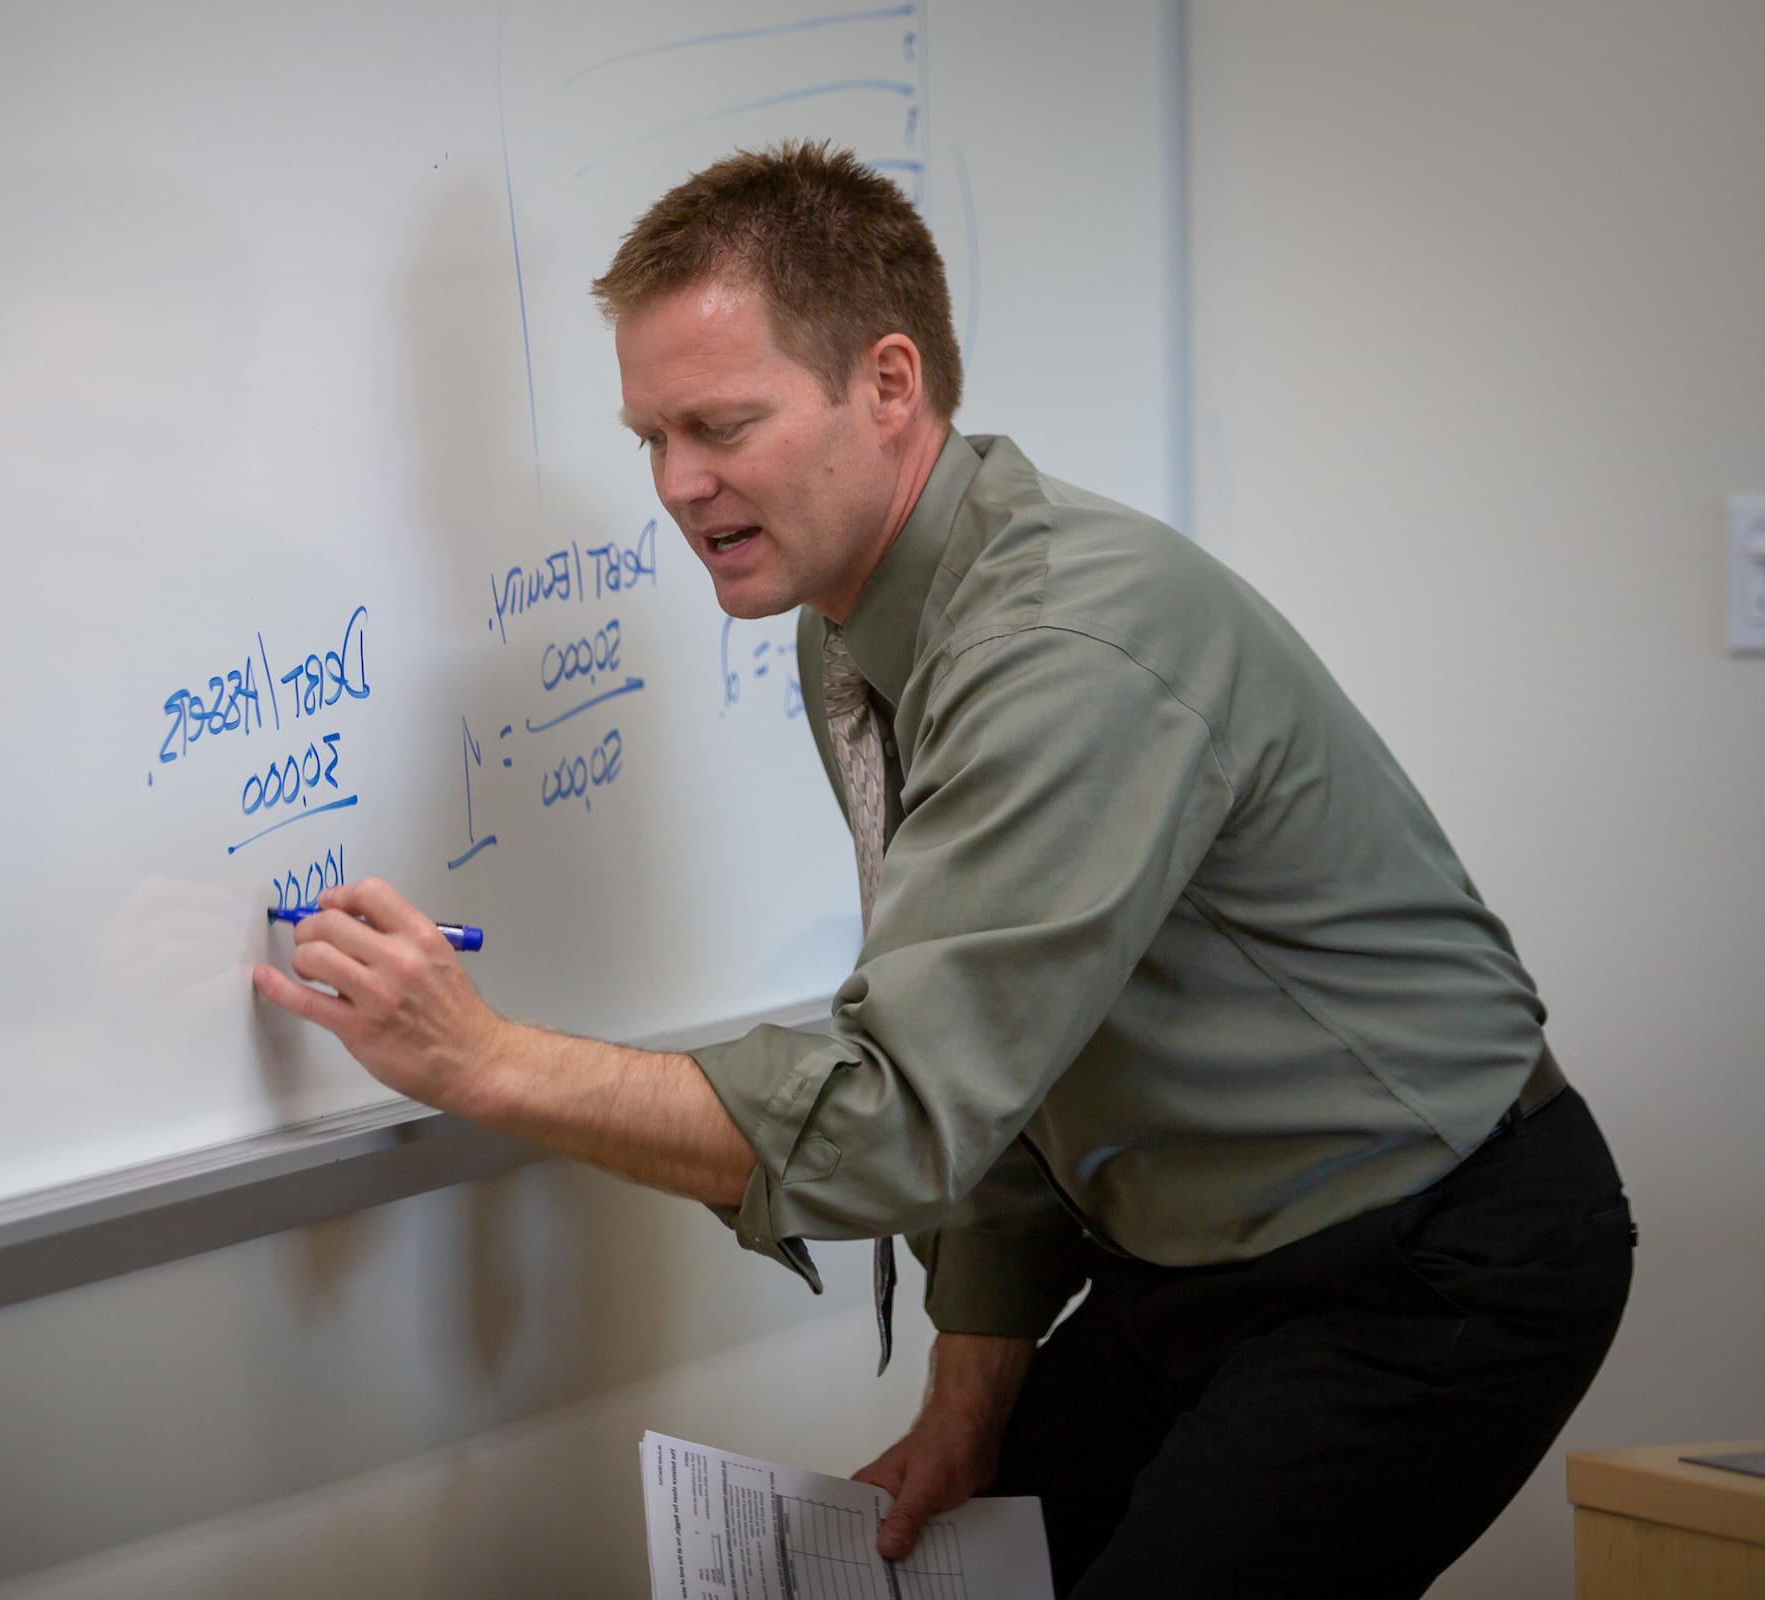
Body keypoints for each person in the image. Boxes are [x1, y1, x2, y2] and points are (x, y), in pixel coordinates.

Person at [252, 141, 1632, 1597]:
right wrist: (968, 1411)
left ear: (891, 385)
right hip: (1196, 1257)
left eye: (721, 423)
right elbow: (992, 1057)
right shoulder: (848, 622)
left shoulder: (1057, 651)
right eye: (647, 436)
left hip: (1431, 1257)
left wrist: (480, 1061)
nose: (676, 483)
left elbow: (902, 1109)